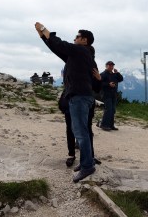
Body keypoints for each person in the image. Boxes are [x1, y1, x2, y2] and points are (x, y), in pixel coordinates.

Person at [35, 22, 99, 183]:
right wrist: (43, 37)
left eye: (77, 36)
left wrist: (44, 30)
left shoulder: (80, 50)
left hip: (79, 97)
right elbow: (57, 49)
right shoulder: (80, 56)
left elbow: (60, 44)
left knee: (81, 133)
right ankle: (87, 161)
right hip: (81, 96)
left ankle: (87, 166)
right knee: (82, 132)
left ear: (84, 40)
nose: (74, 38)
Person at [98, 61, 123, 131]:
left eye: (112, 65)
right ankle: (104, 125)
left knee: (113, 110)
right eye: (110, 65)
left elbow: (121, 79)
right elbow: (99, 84)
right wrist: (108, 84)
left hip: (113, 94)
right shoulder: (103, 74)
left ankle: (111, 125)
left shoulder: (114, 74)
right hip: (106, 94)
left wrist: (117, 73)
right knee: (108, 109)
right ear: (106, 66)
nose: (111, 67)